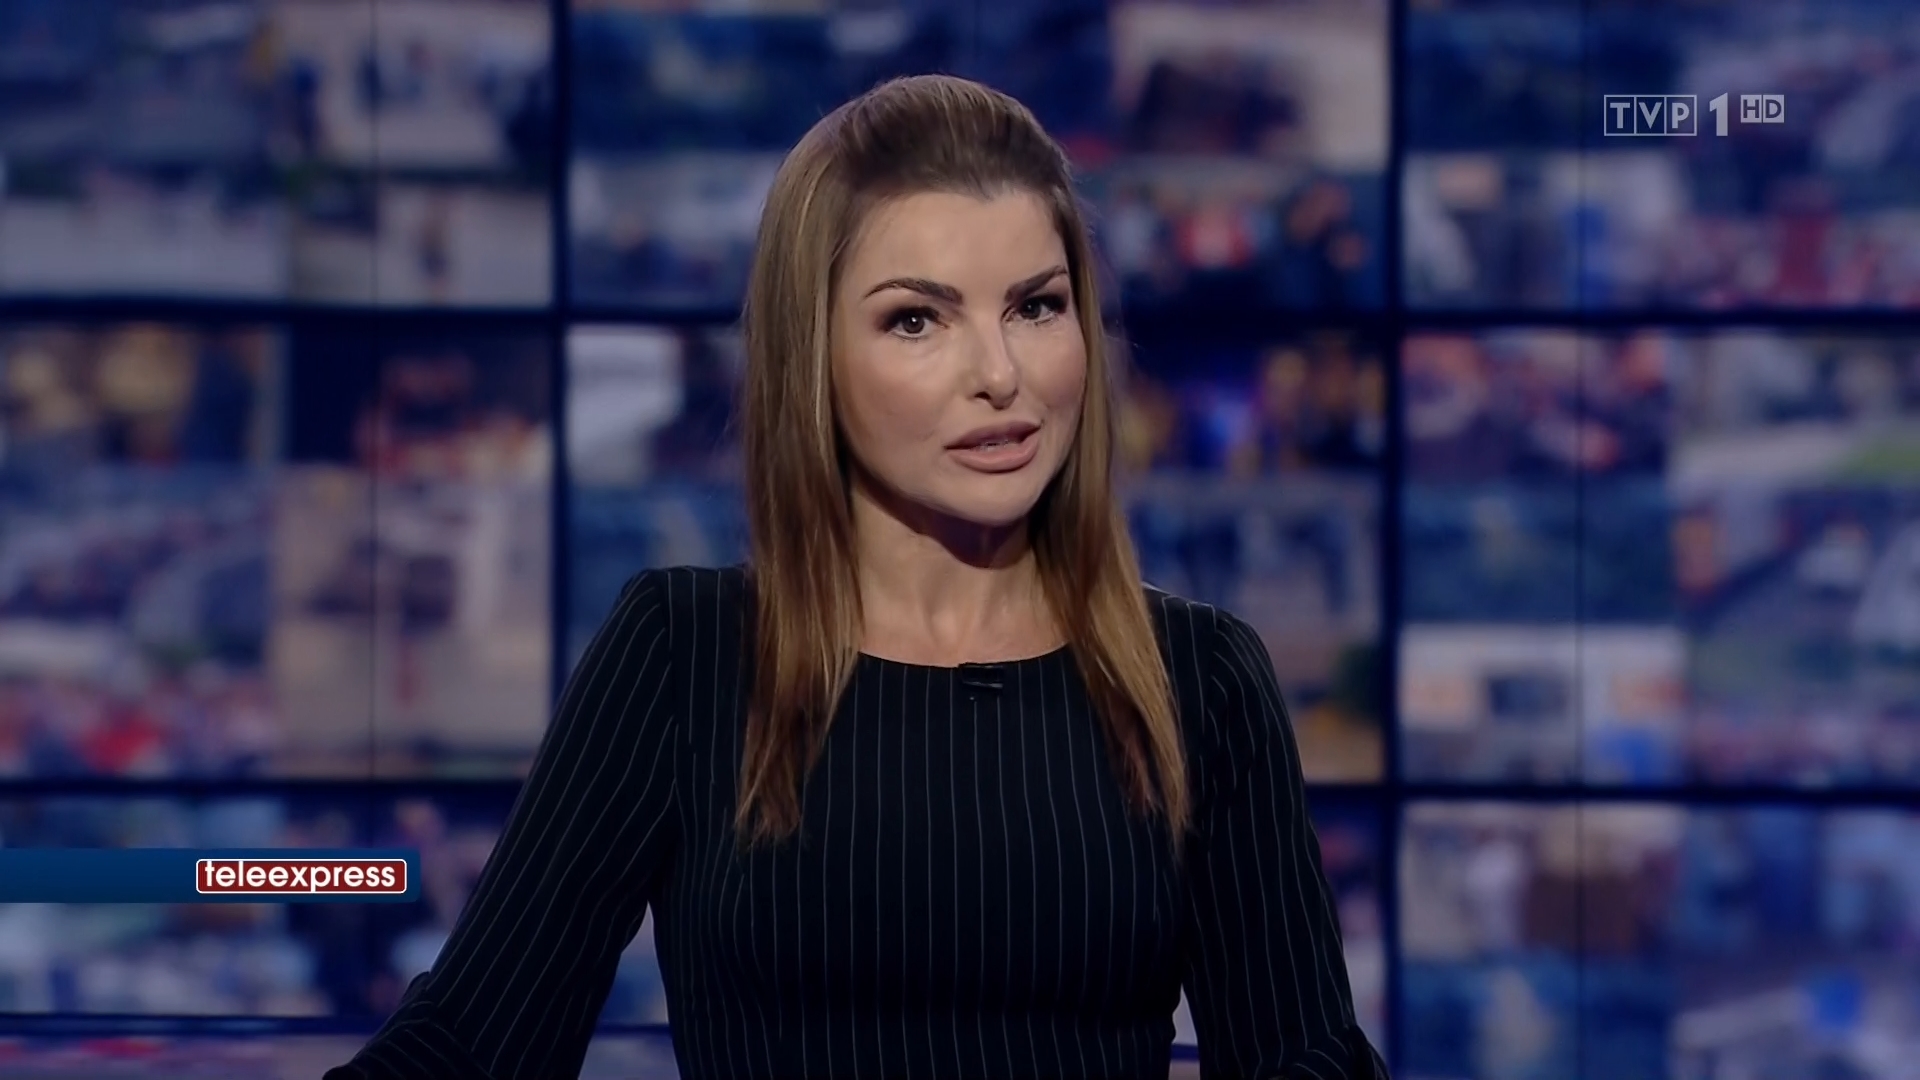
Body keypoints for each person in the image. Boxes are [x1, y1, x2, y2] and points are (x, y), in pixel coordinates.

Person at [327, 74, 1387, 1080]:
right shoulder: (684, 656)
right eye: (917, 319)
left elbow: (1302, 1058)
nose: (1000, 375)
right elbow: (475, 1043)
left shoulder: (1201, 679)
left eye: (1036, 306)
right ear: (814, 357)